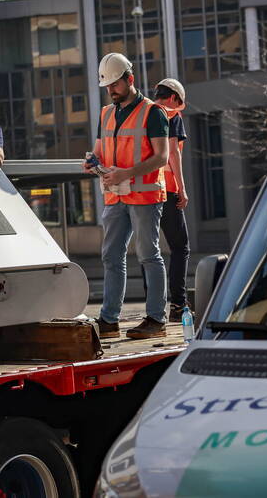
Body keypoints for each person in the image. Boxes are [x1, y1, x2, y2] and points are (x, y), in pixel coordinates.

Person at [84, 53, 170, 340]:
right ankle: (109, 320)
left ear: (130, 80)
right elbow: (100, 149)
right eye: (107, 86)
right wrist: (92, 160)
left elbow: (161, 157)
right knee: (111, 256)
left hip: (144, 196)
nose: (110, 91)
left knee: (148, 255)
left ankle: (156, 319)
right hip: (115, 196)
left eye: (115, 85)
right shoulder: (107, 113)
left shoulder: (153, 112)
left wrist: (126, 173)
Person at [153, 79, 192, 322]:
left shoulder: (143, 112)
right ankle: (178, 306)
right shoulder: (171, 114)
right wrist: (182, 188)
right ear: (174, 98)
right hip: (166, 190)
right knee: (180, 247)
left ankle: (153, 310)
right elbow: (173, 152)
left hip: (142, 191)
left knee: (150, 251)